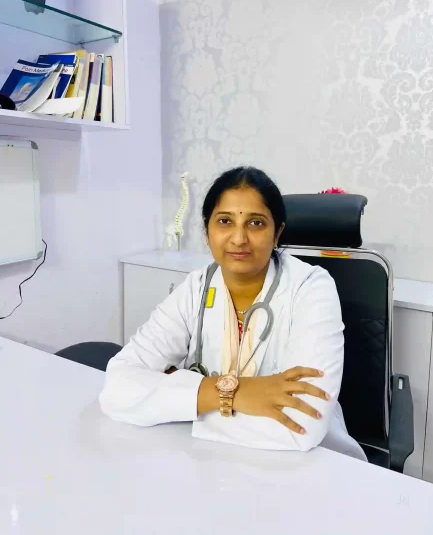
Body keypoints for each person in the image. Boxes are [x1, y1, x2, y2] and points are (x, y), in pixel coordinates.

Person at [100, 167, 366, 461]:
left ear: (277, 233)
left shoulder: (311, 288)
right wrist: (232, 393)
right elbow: (117, 388)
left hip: (309, 463)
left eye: (256, 223)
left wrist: (180, 394)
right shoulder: (196, 287)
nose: (239, 238)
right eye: (225, 221)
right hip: (209, 460)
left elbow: (302, 424)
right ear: (207, 231)